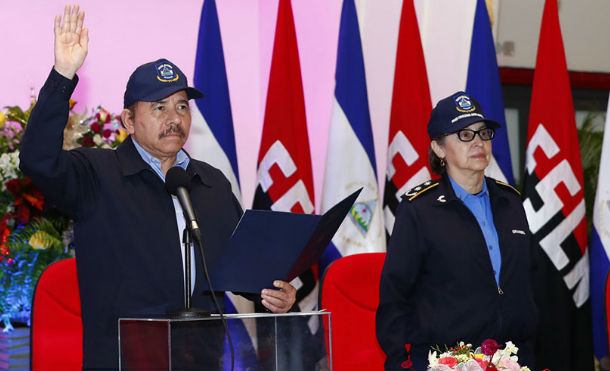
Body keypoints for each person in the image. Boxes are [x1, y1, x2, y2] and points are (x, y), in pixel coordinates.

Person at [20, 5, 296, 370]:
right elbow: (37, 159)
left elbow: (237, 267)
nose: (174, 118)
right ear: (129, 121)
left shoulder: (210, 182)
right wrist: (62, 75)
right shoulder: (96, 174)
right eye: (159, 107)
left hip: (203, 360)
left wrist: (274, 293)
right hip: (124, 361)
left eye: (182, 107)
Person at [375, 92, 538, 370]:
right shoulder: (419, 210)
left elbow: (528, 283)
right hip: (448, 361)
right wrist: (399, 363)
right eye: (464, 135)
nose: (478, 142)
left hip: (512, 358)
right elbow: (394, 297)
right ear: (439, 149)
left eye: (483, 133)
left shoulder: (510, 202)